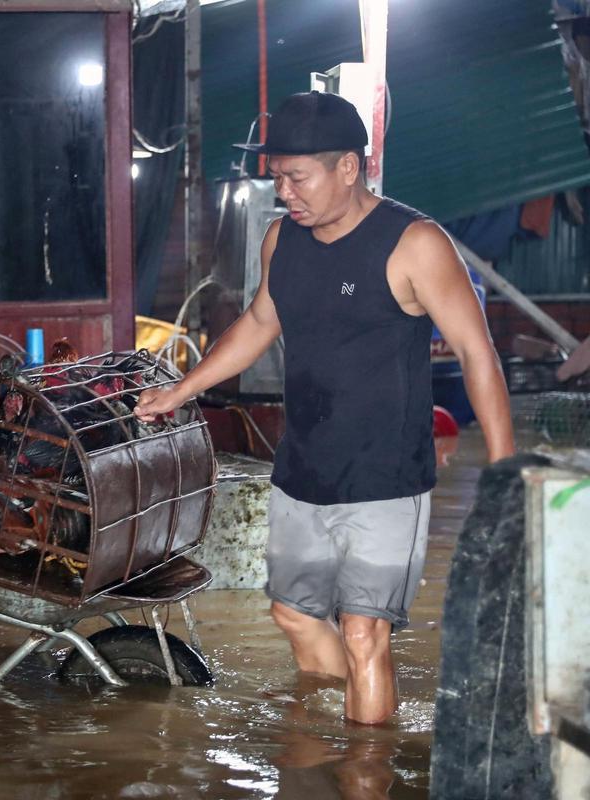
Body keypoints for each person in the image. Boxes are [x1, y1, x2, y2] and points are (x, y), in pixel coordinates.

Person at [136, 92, 514, 725]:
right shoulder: (283, 240)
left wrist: (503, 478)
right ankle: (341, 751)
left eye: (297, 176)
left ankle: (367, 773)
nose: (285, 191)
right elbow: (260, 321)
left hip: (385, 478)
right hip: (303, 469)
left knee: (365, 633)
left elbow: (480, 357)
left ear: (348, 167)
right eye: (278, 176)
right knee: (293, 615)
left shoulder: (414, 244)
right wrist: (181, 389)